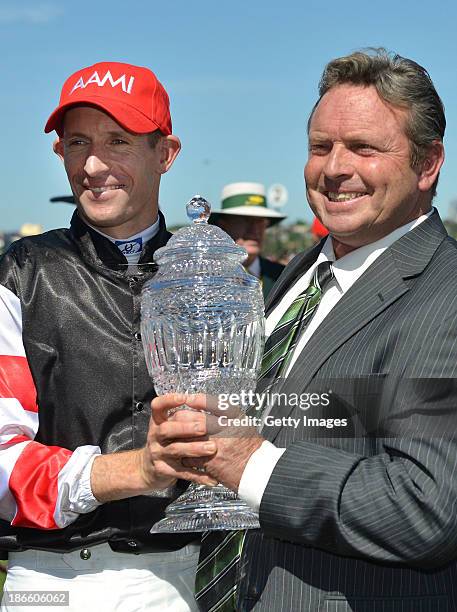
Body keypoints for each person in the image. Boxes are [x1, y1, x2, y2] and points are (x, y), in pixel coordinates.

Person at [155, 49, 457, 610]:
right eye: (321, 146)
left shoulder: (447, 297)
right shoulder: (300, 272)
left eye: (363, 148)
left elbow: (425, 508)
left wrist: (248, 463)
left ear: (428, 163)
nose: (334, 168)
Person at [0, 61, 219, 611]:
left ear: (166, 154)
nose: (94, 165)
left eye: (118, 141)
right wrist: (133, 470)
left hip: (185, 573)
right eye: (77, 143)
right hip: (47, 581)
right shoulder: (22, 271)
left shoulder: (214, 275)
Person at [209, 182, 286, 298]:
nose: (254, 230)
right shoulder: (205, 278)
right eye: (246, 220)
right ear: (224, 226)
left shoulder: (284, 277)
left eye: (260, 221)